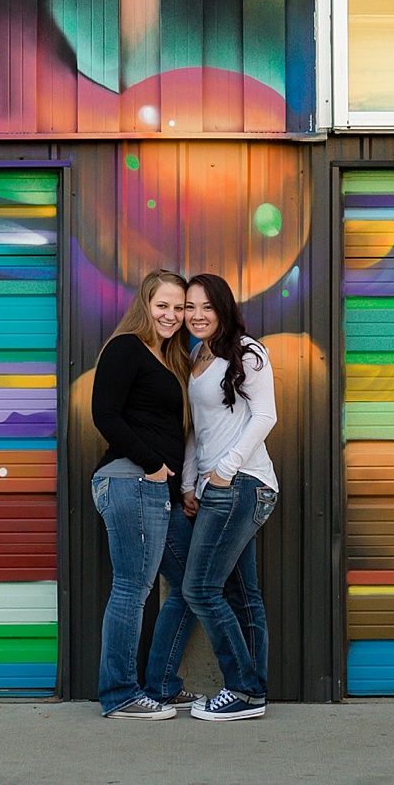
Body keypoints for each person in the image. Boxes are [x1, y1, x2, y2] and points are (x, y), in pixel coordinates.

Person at [145, 272, 279, 722]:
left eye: (206, 307)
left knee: (200, 588)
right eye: (190, 308)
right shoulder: (198, 355)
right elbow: (196, 431)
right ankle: (252, 691)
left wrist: (223, 471)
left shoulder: (248, 351)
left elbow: (265, 416)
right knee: (242, 594)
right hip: (214, 489)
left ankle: (242, 690)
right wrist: (189, 483)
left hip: (243, 484)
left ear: (223, 309)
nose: (196, 316)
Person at [89, 269, 192, 719]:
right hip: (132, 480)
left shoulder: (169, 356)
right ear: (145, 304)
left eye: (179, 307)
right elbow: (105, 415)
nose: (171, 315)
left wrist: (176, 483)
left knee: (193, 585)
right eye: (162, 305)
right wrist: (153, 466)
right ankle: (120, 695)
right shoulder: (126, 347)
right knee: (132, 589)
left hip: (158, 491)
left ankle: (161, 685)